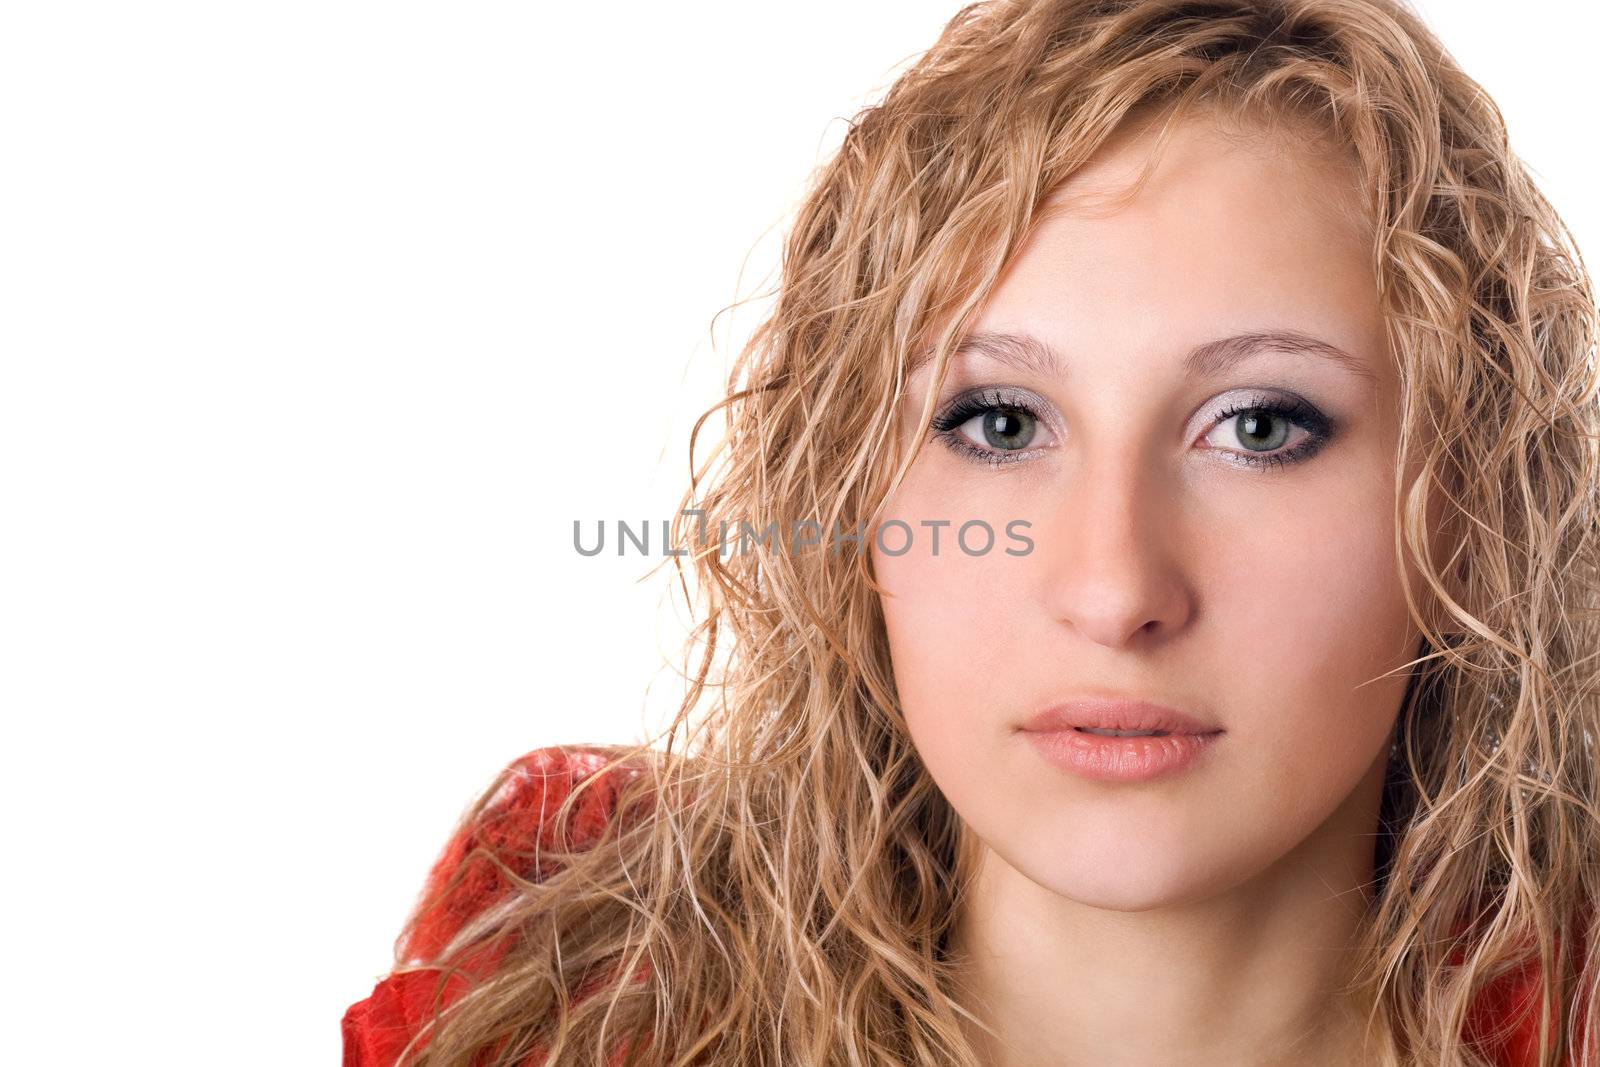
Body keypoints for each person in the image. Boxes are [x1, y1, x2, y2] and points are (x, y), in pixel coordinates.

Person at [342, 1, 1600, 1063]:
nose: (1113, 590)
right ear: (848, 498)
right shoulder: (563, 1000)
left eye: (1261, 427)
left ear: (1474, 505)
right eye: (998, 422)